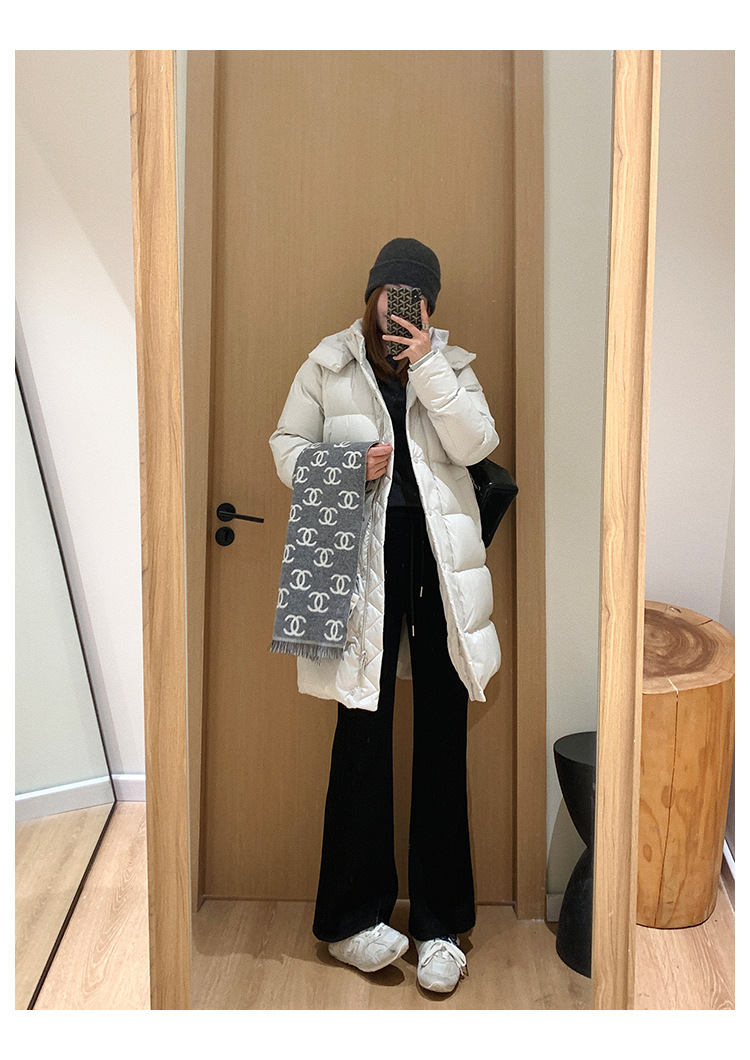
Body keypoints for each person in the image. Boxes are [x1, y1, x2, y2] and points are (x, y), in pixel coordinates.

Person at [268, 238, 502, 994]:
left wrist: (428, 363)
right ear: (370, 293)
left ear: (430, 304)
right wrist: (343, 466)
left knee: (442, 735)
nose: (398, 306)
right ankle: (351, 921)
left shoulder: (450, 365)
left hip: (437, 564)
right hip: (357, 563)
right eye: (390, 292)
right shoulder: (329, 363)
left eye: (415, 296)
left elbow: (477, 443)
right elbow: (284, 446)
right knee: (361, 735)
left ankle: (441, 927)